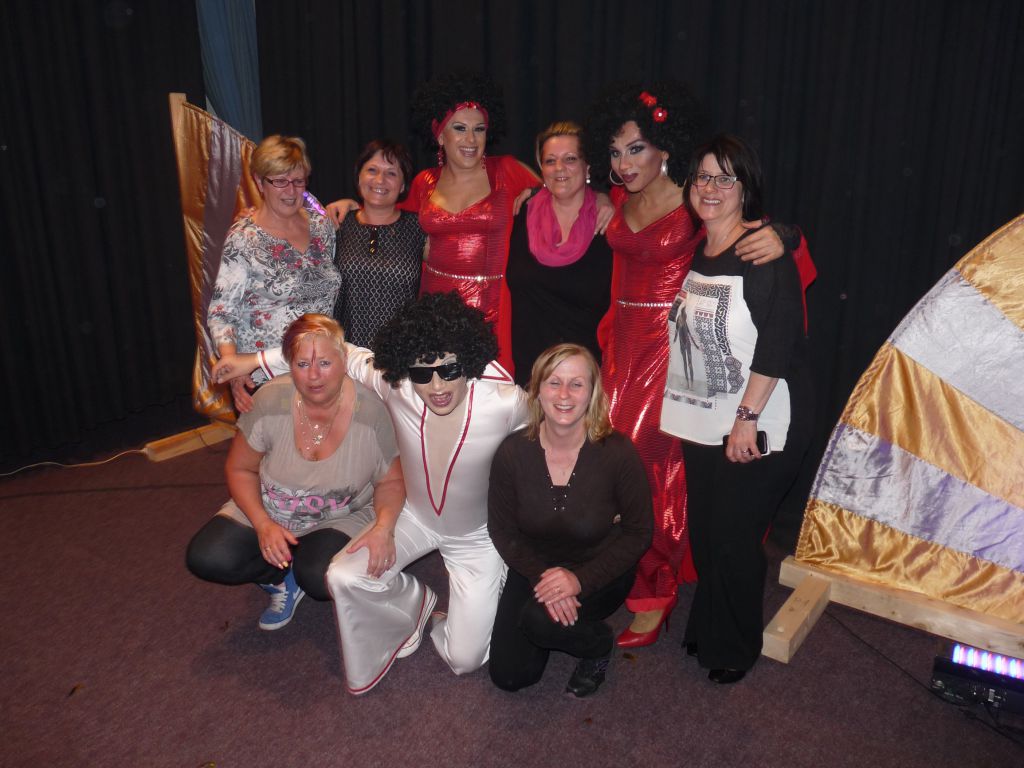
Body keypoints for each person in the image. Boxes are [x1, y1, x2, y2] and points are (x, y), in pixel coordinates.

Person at [583, 82, 816, 647]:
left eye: (636, 149)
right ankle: (633, 573)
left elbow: (756, 237)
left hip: (675, 357)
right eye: (615, 151)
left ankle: (657, 587)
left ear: (665, 148)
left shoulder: (695, 206)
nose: (625, 163)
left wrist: (784, 236)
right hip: (623, 350)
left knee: (649, 473)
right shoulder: (619, 200)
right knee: (616, 467)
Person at [212, 292, 528, 694]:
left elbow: (547, 445)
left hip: (475, 537)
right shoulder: (394, 384)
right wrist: (252, 362)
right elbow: (340, 351)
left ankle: (468, 608)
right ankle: (416, 602)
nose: (436, 386)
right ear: (406, 369)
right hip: (413, 518)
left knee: (464, 660)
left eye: (449, 370)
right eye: (422, 373)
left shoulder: (505, 402)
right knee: (342, 577)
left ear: (468, 361)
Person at [661, 134, 813, 684]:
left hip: (758, 418)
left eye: (726, 178)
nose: (711, 188)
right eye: (703, 176)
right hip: (704, 417)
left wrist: (745, 419)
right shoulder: (700, 249)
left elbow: (778, 341)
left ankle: (734, 647)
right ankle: (710, 626)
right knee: (708, 533)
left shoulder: (762, 253)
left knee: (733, 537)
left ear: (746, 189)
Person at [186, 314, 404, 634]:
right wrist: (262, 523)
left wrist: (384, 528)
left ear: (343, 361)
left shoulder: (372, 412)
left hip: (340, 516)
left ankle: (304, 568)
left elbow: (392, 481)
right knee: (208, 557)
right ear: (289, 364)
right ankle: (279, 578)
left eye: (325, 363)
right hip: (273, 505)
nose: (314, 375)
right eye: (302, 364)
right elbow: (240, 468)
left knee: (318, 577)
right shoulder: (269, 399)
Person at [488, 344, 652, 697]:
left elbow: (639, 532)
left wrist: (579, 581)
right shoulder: (512, 452)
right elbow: (501, 530)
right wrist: (544, 578)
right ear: (537, 390)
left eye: (576, 384)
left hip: (600, 570)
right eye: (554, 382)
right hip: (534, 566)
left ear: (592, 393)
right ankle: (555, 619)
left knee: (537, 621)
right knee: (510, 676)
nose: (564, 394)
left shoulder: (617, 453)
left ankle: (598, 645)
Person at [207, 135, 340, 413]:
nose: (290, 191)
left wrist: (349, 203)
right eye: (279, 181)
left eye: (298, 181)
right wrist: (234, 367)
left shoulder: (321, 226)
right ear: (259, 182)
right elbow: (222, 312)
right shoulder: (244, 238)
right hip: (266, 375)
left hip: (319, 369)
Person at [506, 123, 613, 386]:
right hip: (530, 376)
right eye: (550, 161)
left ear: (587, 167)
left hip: (583, 378)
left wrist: (605, 199)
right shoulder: (520, 212)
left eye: (570, 159)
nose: (559, 168)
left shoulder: (610, 223)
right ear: (541, 169)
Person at [333, 139, 425, 347]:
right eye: (372, 170)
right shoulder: (337, 224)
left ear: (403, 185)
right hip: (345, 353)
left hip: (401, 353)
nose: (380, 180)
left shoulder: (420, 228)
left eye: (391, 173)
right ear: (359, 176)